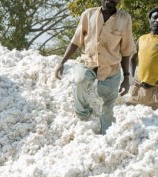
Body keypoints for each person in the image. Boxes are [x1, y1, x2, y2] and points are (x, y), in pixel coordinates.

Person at [55, 0, 136, 135]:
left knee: (108, 102)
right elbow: (75, 41)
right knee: (80, 80)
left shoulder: (124, 19)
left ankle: (106, 135)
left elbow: (126, 50)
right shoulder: (88, 14)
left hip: (111, 67)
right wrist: (61, 63)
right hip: (88, 61)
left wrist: (127, 77)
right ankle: (83, 114)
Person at [127, 7, 158, 110]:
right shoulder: (142, 39)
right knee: (130, 120)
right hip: (139, 90)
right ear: (150, 20)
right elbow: (132, 58)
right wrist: (131, 77)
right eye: (155, 17)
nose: (157, 20)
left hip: (156, 92)